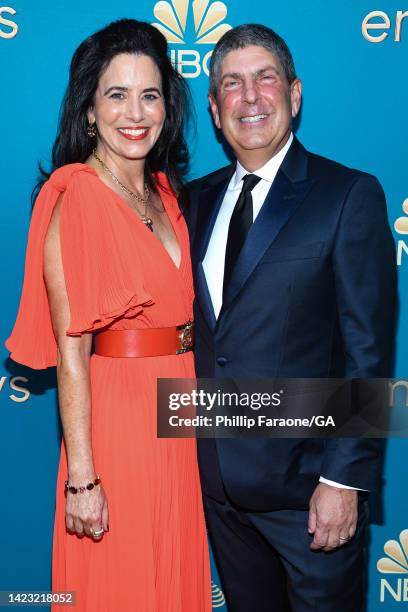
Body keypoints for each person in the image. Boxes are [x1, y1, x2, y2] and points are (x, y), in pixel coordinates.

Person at [184, 23, 397, 612]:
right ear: (214, 107)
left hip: (311, 497)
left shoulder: (348, 194)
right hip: (218, 489)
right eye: (232, 83)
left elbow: (369, 354)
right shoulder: (191, 200)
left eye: (265, 79)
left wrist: (345, 480)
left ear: (295, 94)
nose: (249, 97)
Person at [6, 19, 211, 612]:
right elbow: (73, 352)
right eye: (115, 95)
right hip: (118, 420)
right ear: (89, 110)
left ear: (168, 107)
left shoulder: (167, 195)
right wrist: (83, 478)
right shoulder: (74, 196)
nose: (135, 112)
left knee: (171, 573)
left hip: (179, 410)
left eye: (149, 94)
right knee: (121, 584)